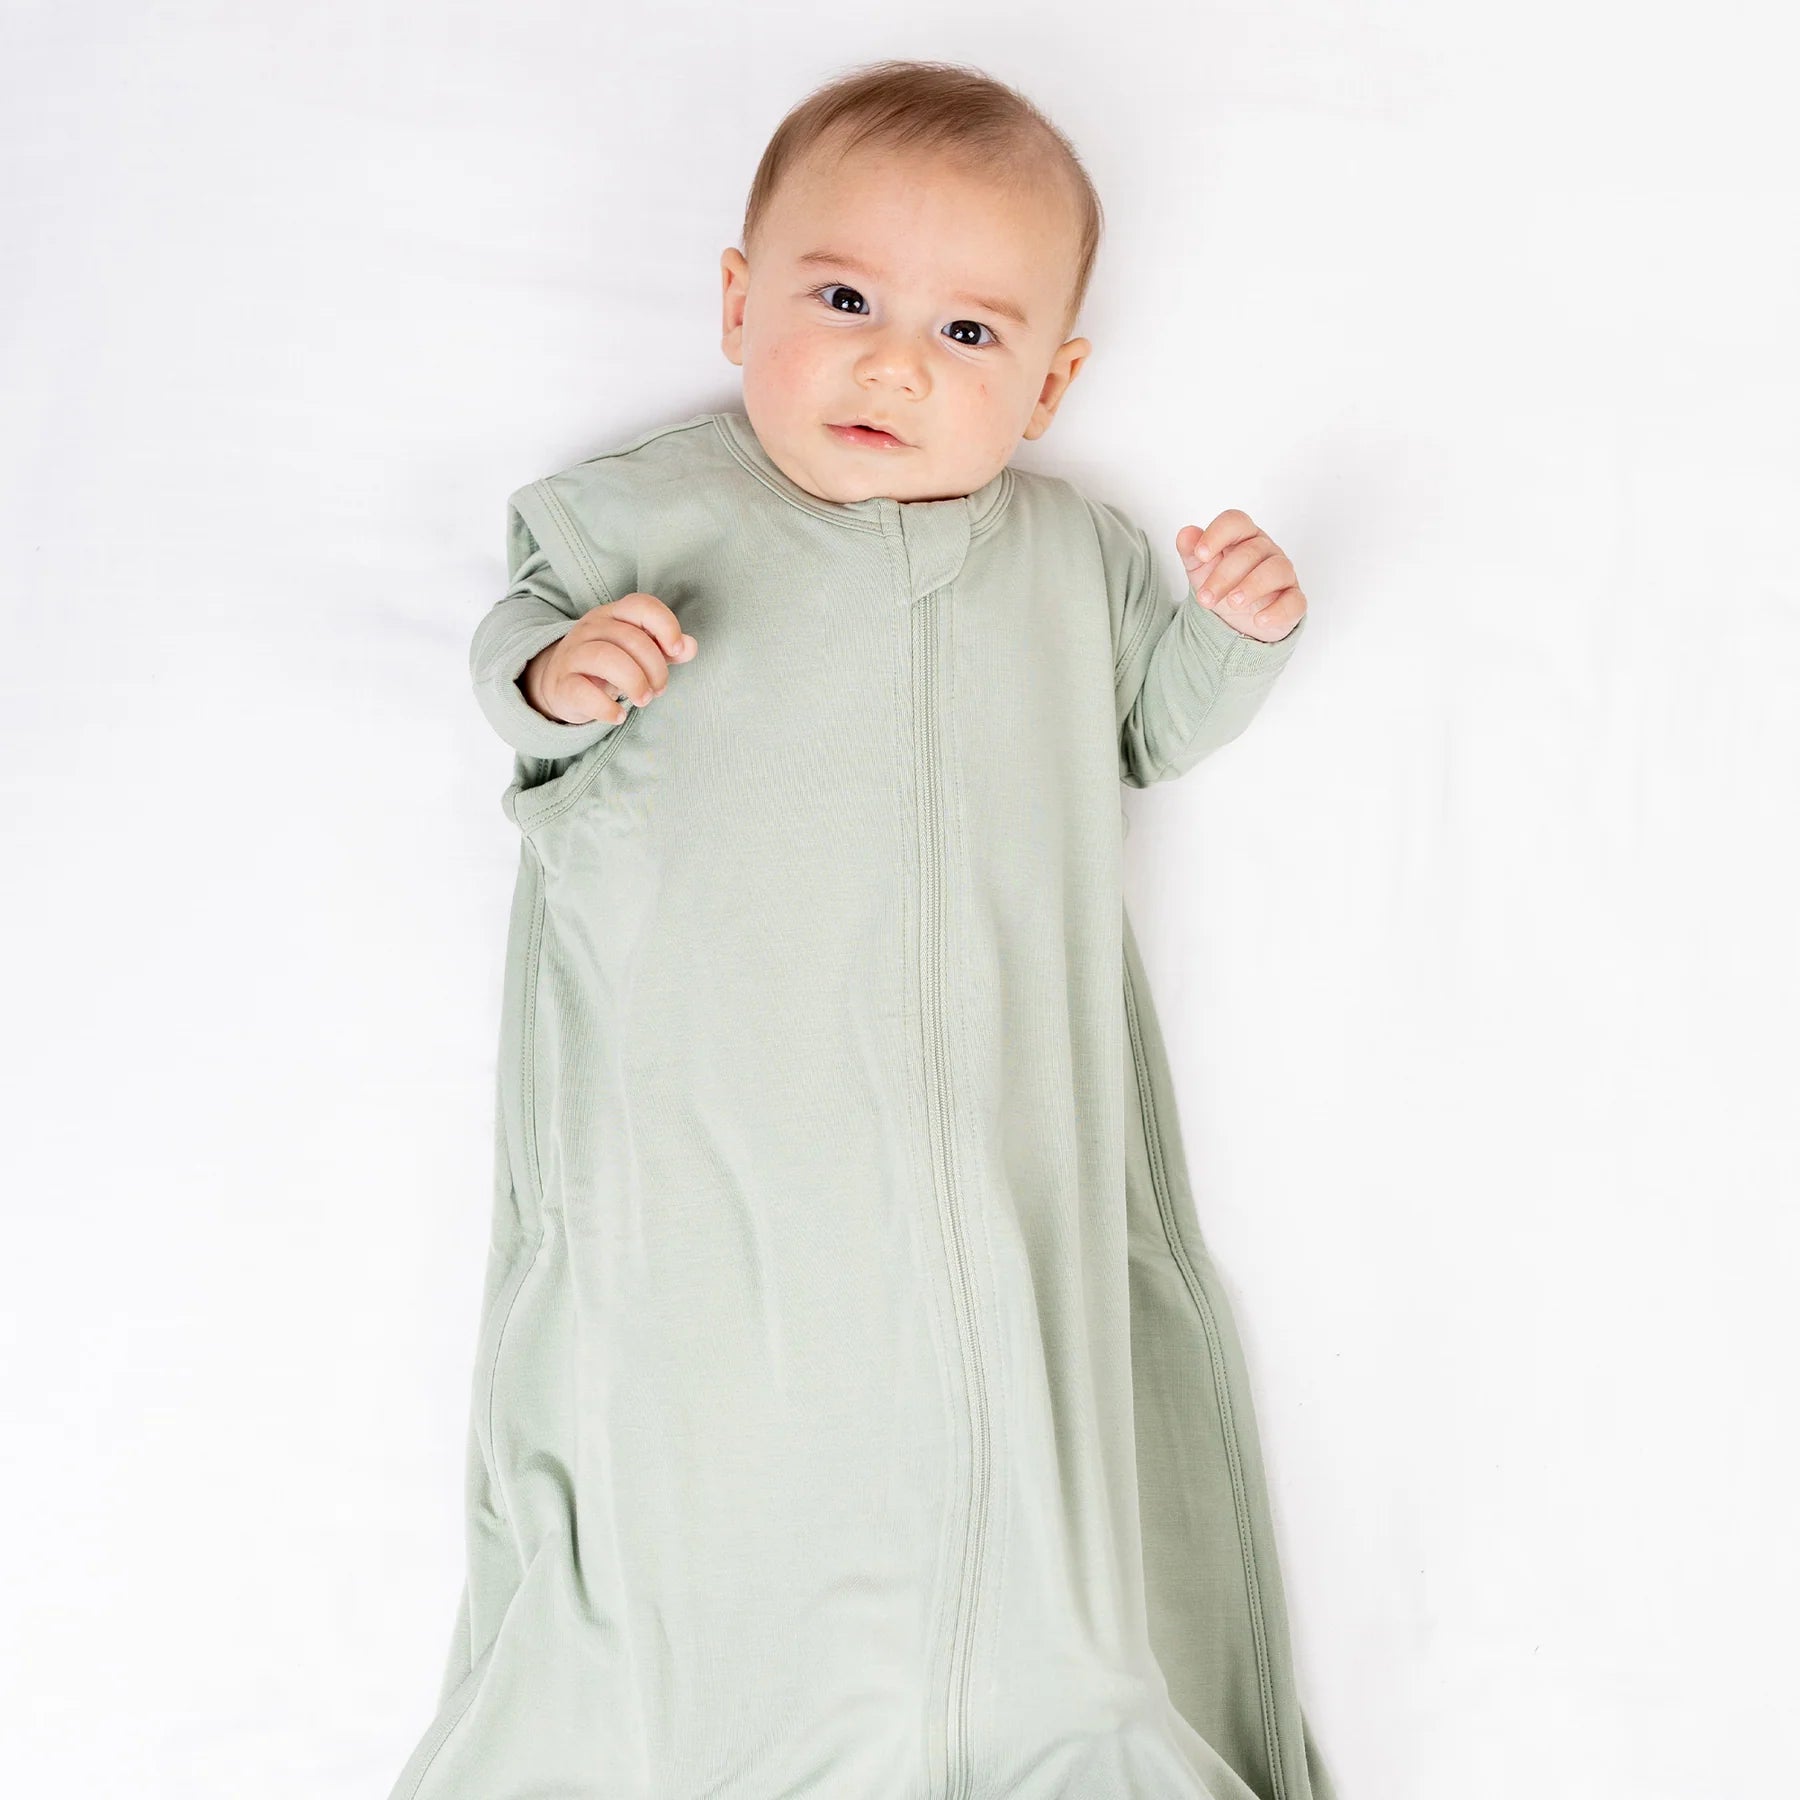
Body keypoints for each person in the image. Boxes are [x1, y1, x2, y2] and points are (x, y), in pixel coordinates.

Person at [386, 58, 1336, 1800]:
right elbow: (517, 667)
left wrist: (1234, 636)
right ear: (737, 303)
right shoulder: (640, 520)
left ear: (1050, 387)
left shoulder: (1072, 564)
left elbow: (1151, 730)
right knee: (690, 1449)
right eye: (843, 303)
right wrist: (562, 675)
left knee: (1021, 1464)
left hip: (991, 1138)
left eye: (969, 335)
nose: (895, 363)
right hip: (714, 1129)